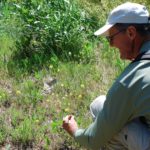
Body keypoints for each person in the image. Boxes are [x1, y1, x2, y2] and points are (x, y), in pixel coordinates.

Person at [62, 2, 150, 150]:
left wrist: (75, 131)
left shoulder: (131, 81)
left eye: (111, 38)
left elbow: (95, 139)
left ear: (131, 33)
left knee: (99, 106)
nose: (110, 45)